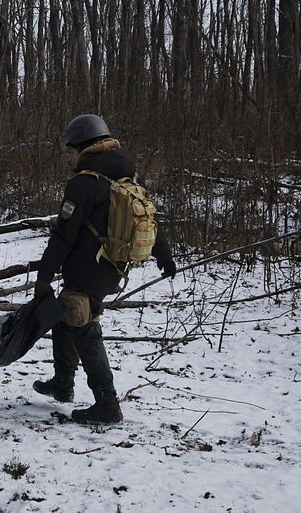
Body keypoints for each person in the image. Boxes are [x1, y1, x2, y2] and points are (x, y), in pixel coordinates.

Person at [32, 114, 177, 423]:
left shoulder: (85, 183)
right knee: (64, 315)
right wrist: (164, 256)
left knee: (83, 325)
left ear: (83, 144)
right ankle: (62, 382)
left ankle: (107, 404)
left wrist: (43, 277)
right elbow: (151, 219)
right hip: (111, 265)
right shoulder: (129, 176)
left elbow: (63, 235)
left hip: (88, 267)